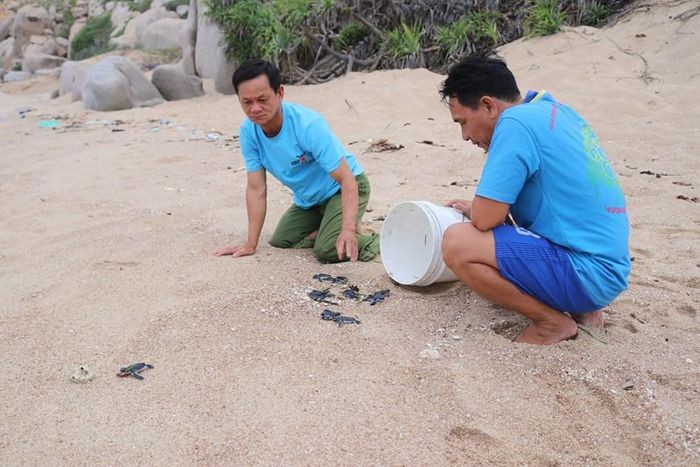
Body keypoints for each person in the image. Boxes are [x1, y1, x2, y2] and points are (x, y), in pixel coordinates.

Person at [439, 55, 630, 345]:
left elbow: (485, 219)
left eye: (463, 122)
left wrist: (478, 211)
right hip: (609, 267)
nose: (465, 136)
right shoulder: (553, 111)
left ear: (489, 105)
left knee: (456, 243)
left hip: (587, 273)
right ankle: (584, 311)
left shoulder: (514, 123)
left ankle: (551, 322)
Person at [214, 59, 379, 263]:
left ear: (280, 93)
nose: (255, 109)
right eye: (247, 102)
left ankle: (375, 240)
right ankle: (329, 227)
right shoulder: (249, 132)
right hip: (310, 200)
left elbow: (347, 180)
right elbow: (256, 189)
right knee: (282, 240)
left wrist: (348, 229)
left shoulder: (308, 125)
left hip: (343, 189)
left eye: (262, 100)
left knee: (326, 250)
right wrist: (250, 243)